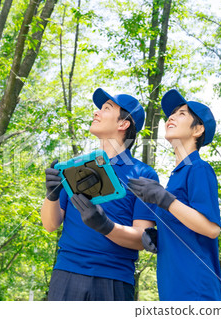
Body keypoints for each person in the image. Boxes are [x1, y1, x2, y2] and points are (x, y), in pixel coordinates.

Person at [40, 88, 159, 301]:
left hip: (114, 280)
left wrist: (105, 226)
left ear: (123, 124)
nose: (96, 112)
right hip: (66, 273)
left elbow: (143, 238)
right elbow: (50, 225)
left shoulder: (143, 174)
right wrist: (52, 195)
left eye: (106, 108)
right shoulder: (75, 166)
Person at [128, 89, 221, 301]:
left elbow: (211, 228)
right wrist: (158, 237)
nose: (170, 117)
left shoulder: (198, 168)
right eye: (171, 114)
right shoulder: (176, 177)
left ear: (197, 130)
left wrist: (164, 200)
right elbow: (187, 227)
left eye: (182, 114)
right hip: (173, 289)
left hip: (196, 290)